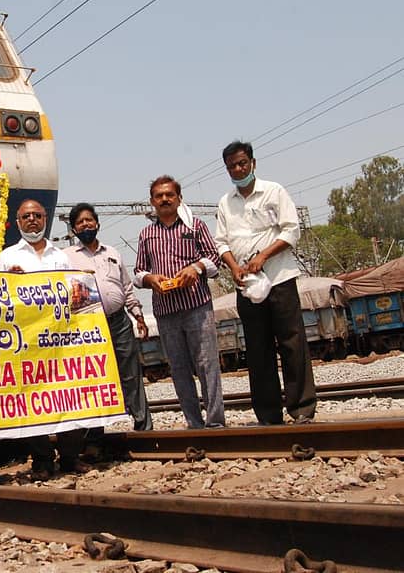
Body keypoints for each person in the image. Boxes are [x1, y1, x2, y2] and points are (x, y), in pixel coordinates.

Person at [215, 141, 316, 425]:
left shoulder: (274, 191)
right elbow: (221, 241)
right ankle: (269, 415)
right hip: (246, 286)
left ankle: (302, 409)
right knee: (258, 350)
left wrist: (263, 256)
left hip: (279, 279)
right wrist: (234, 267)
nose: (238, 169)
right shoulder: (225, 203)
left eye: (242, 163)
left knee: (292, 343)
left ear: (253, 163)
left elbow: (291, 231)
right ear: (227, 169)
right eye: (232, 166)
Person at [134, 176, 225, 430]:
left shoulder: (195, 227)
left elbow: (214, 260)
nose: (164, 199)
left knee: (207, 365)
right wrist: (150, 278)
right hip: (165, 312)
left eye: (169, 195)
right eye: (159, 196)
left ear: (179, 198)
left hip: (197, 306)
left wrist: (195, 268)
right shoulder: (146, 235)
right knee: (179, 369)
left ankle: (215, 423)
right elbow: (139, 273)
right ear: (152, 202)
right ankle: (194, 424)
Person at [0, 199, 77, 479]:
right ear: (18, 222)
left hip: (60, 338)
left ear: (45, 219)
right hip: (27, 341)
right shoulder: (7, 257)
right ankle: (42, 459)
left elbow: (72, 290)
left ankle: (69, 457)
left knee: (67, 395)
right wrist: (9, 280)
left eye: (37, 215)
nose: (32, 220)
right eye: (26, 216)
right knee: (33, 400)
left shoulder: (61, 255)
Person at [63, 202, 153, 432]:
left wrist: (138, 314)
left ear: (97, 224)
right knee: (95, 378)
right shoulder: (65, 257)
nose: (85, 225)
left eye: (89, 220)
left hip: (119, 321)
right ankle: (95, 436)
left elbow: (126, 286)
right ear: (73, 230)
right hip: (88, 326)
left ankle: (143, 426)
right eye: (80, 222)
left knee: (131, 373)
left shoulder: (112, 253)